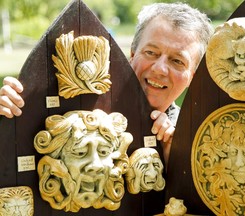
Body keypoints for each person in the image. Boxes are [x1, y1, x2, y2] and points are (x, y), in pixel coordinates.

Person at [0, 2, 214, 167]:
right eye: (151, 52)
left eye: (177, 61)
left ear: (192, 77)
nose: (159, 68)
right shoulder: (75, 107)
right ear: (131, 55)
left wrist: (174, 165)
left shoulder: (199, 143)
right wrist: (8, 119)